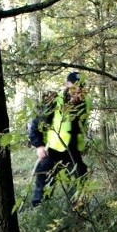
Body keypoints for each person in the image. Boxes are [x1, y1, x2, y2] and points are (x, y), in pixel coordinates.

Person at [28, 71, 91, 207]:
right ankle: (39, 207)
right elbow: (36, 125)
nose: (78, 89)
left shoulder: (85, 103)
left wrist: (83, 147)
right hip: (52, 149)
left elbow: (82, 127)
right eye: (74, 86)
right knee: (43, 177)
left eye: (80, 86)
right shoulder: (53, 101)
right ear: (67, 85)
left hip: (73, 151)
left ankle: (78, 210)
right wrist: (38, 145)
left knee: (80, 176)